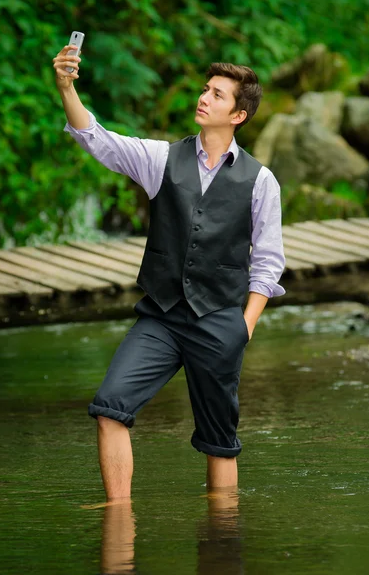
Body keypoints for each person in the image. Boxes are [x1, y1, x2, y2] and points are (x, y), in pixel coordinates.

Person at [53, 44, 285, 501]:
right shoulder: (160, 158)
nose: (204, 98)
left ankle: (221, 544)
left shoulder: (261, 181)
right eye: (205, 89)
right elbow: (97, 138)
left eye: (217, 95)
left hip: (220, 321)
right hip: (160, 316)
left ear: (238, 115)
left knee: (219, 445)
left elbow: (268, 261)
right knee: (109, 408)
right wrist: (66, 88)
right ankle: (118, 521)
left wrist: (245, 325)